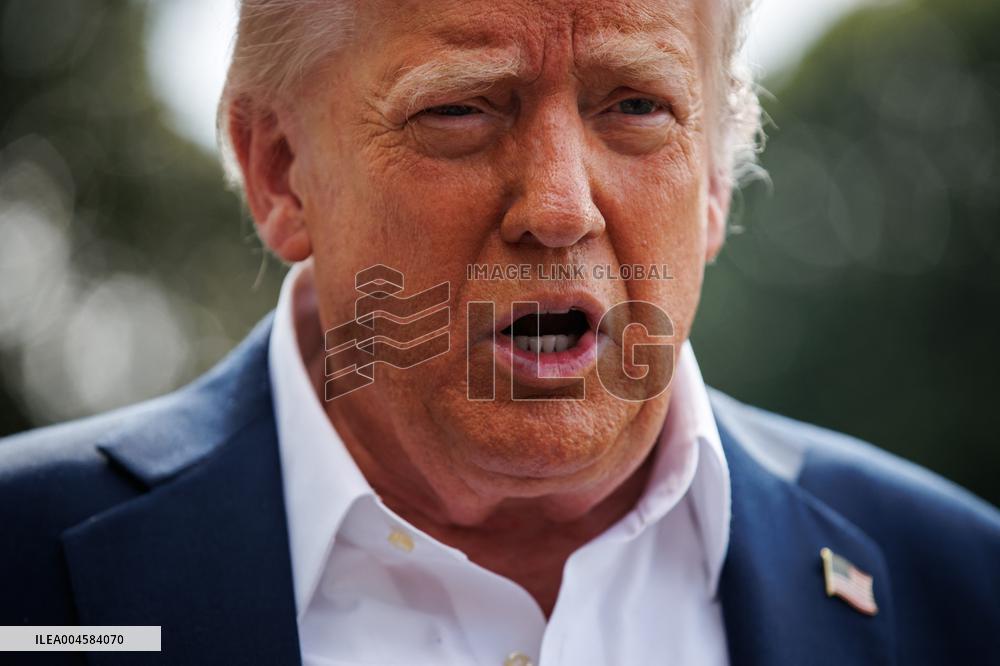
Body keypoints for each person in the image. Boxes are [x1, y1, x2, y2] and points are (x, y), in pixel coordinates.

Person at [1, 0, 997, 664]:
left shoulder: (961, 586)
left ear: (714, 182)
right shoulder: (24, 565)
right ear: (278, 172)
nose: (559, 207)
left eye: (637, 105)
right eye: (460, 109)